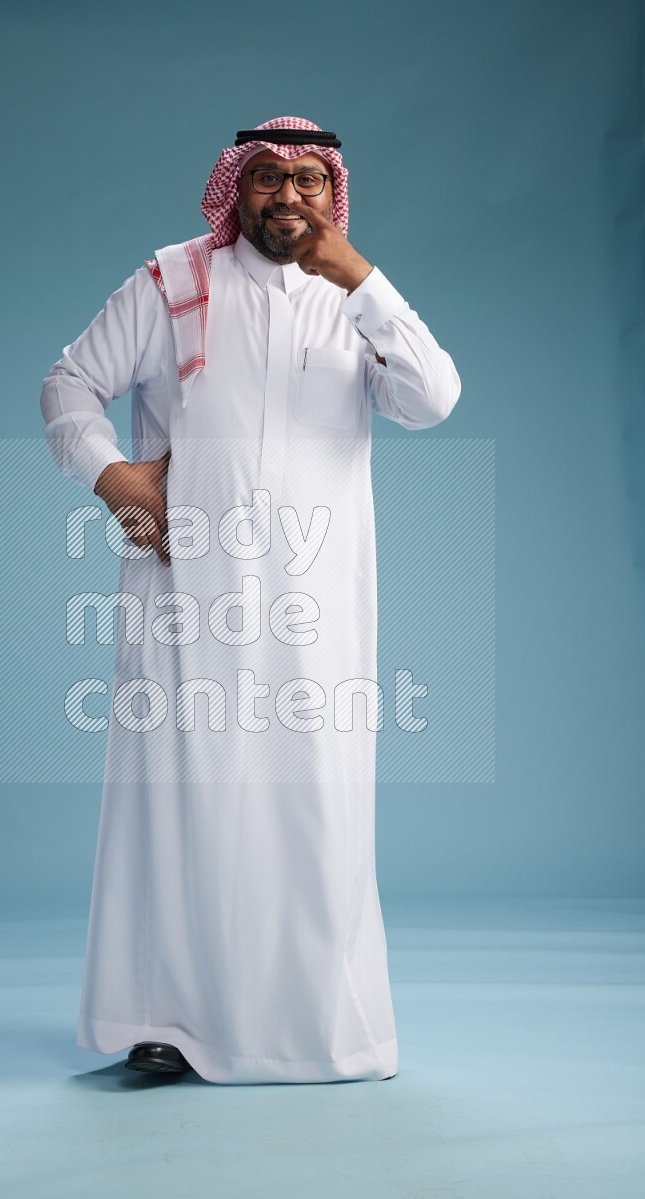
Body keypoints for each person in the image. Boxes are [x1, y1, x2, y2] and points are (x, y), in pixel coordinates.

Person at [40, 116, 461, 1085]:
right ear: (236, 187)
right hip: (187, 594)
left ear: (333, 192)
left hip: (313, 609)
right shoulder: (171, 282)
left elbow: (433, 397)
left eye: (308, 181)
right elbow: (69, 383)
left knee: (313, 806)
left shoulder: (358, 302)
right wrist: (115, 480)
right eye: (267, 178)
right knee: (178, 805)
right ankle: (164, 1019)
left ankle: (318, 1022)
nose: (287, 198)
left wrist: (359, 278)